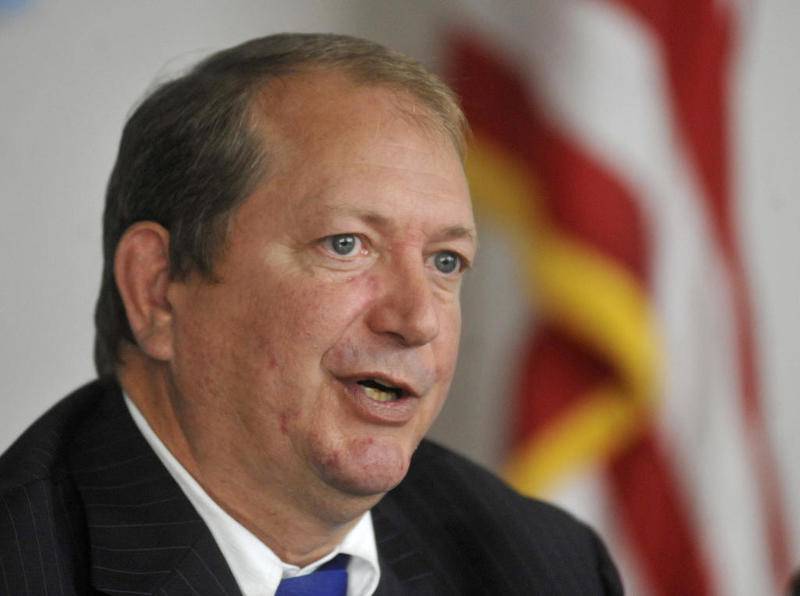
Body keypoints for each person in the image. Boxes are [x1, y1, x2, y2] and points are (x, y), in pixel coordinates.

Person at [0, 33, 623, 595]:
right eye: (346, 245)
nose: (417, 320)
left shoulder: (544, 566)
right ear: (159, 289)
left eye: (445, 261)